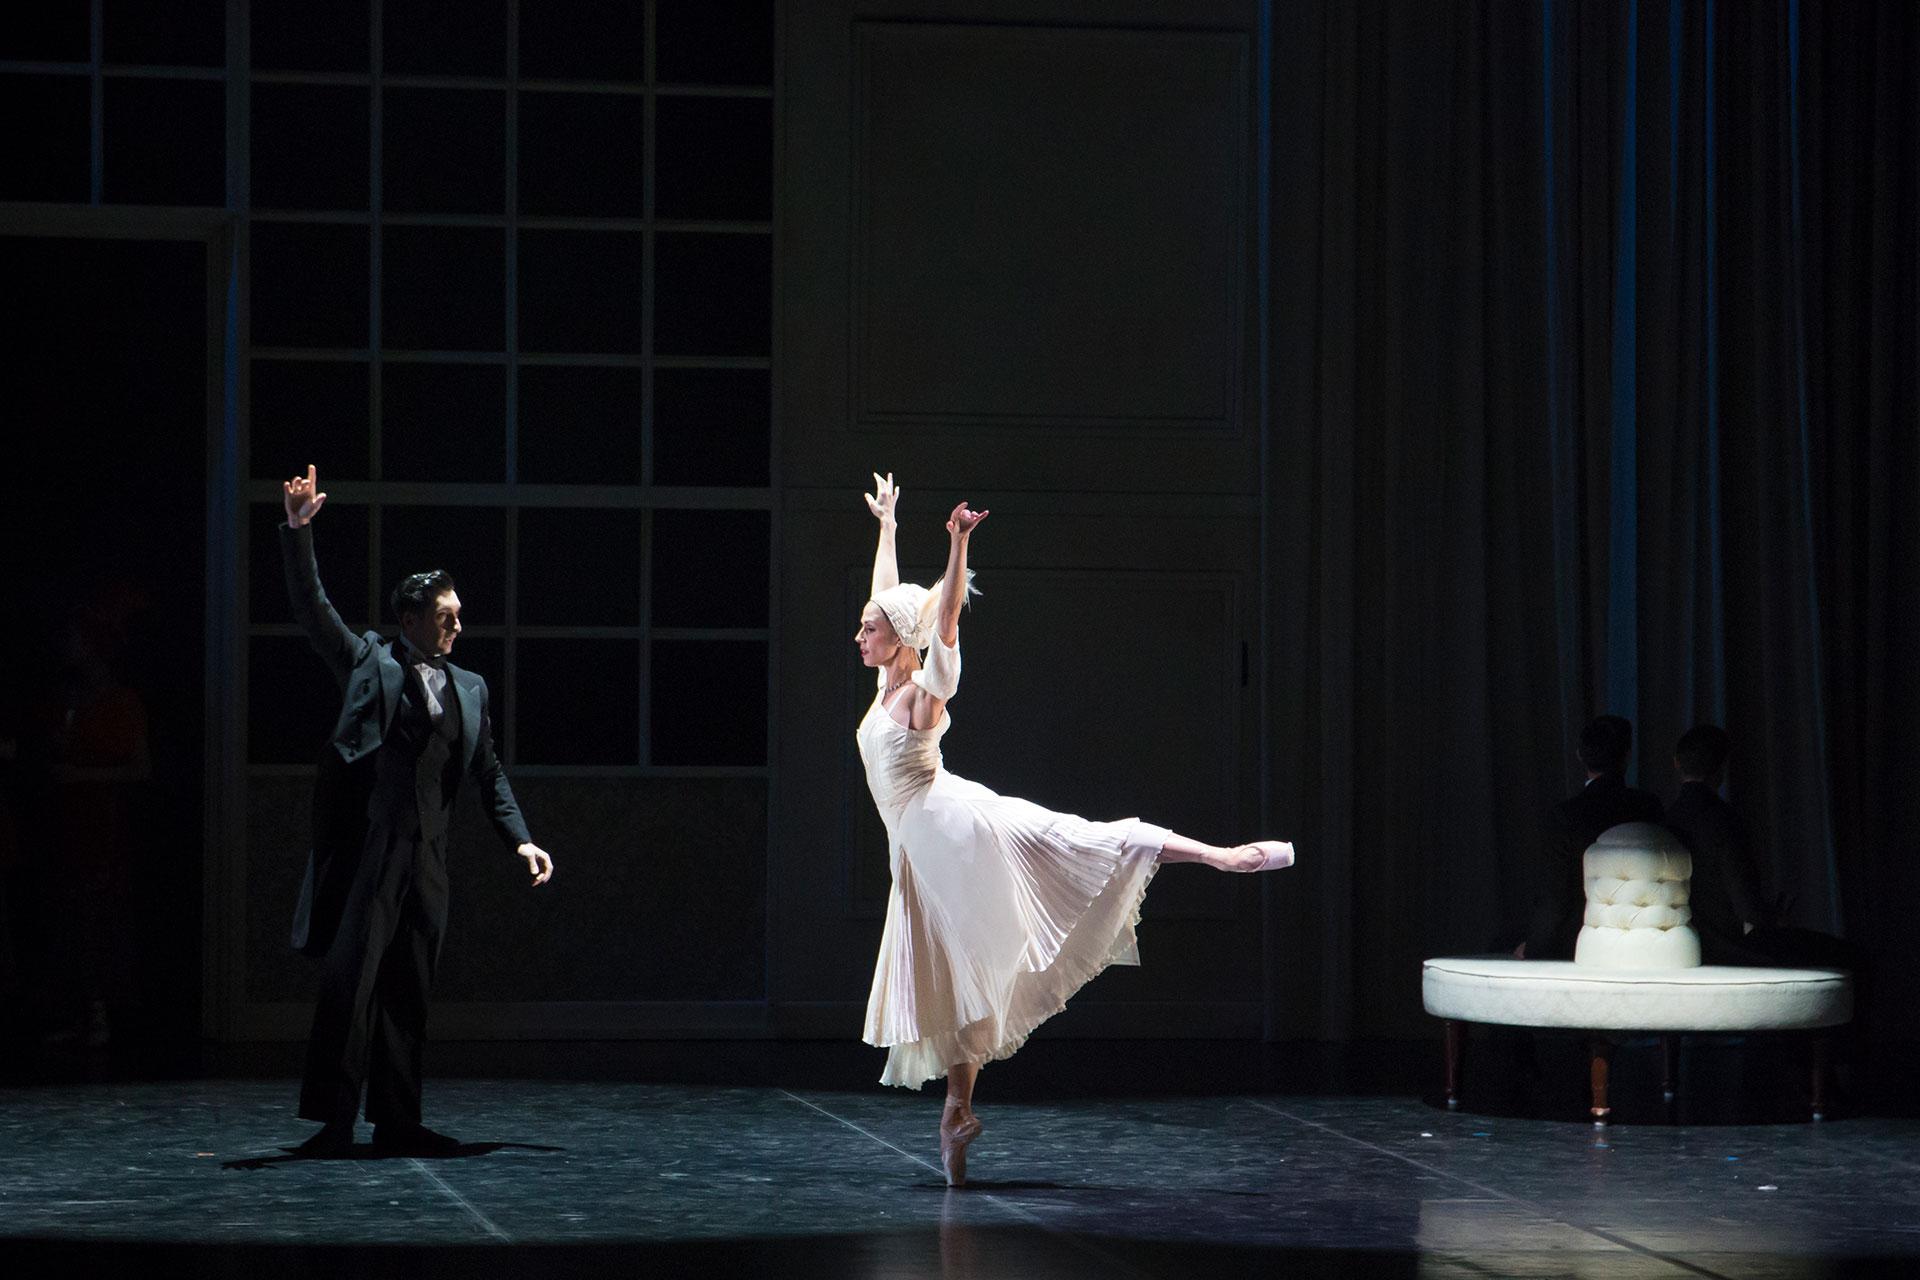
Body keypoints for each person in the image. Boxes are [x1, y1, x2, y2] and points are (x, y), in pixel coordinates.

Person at [853, 473, 1294, 1187]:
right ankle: (956, 1114)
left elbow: (941, 625)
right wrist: (889, 529)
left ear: (896, 640)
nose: (859, 633)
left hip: (960, 836)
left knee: (1085, 841)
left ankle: (1225, 858)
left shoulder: (920, 699)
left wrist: (958, 544)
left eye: (868, 627)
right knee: (957, 981)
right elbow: (895, 602)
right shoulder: (885, 687)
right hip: (921, 855)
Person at [279, 465, 554, 1157]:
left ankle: (398, 1117)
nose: (458, 624)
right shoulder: (373, 662)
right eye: (445, 616)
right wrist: (298, 533)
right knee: (354, 984)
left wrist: (519, 839)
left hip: (429, 854)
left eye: (458, 615)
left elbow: (487, 770)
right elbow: (315, 612)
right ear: (410, 620)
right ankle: (336, 1121)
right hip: (374, 846)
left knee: (409, 989)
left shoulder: (470, 688)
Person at [1519, 714, 1663, 960]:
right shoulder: (1649, 806)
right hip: (1646, 942)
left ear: (1579, 755)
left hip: (1578, 943)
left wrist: (1534, 950)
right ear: (1627, 755)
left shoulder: (1566, 816)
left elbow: (1556, 897)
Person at [1663, 724, 1775, 964]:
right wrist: (1772, 917)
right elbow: (1747, 906)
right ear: (1721, 769)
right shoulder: (1725, 821)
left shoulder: (1664, 818)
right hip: (1723, 948)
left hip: (1675, 947)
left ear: (1676, 763)